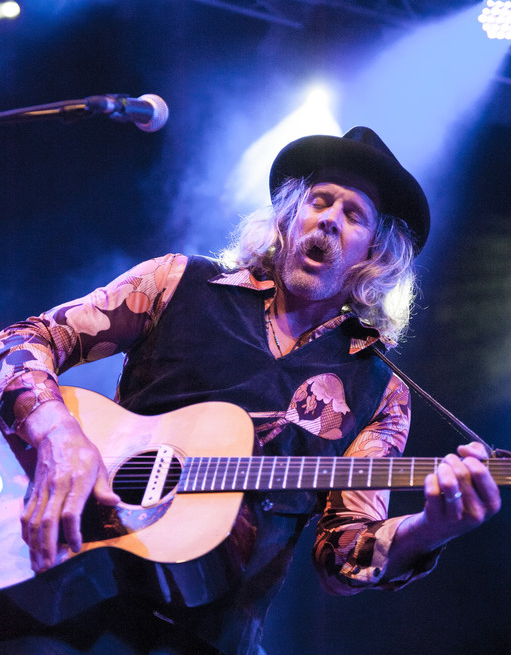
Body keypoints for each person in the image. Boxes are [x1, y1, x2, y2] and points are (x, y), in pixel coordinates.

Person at [0, 127, 501, 655]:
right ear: (289, 216)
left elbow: (343, 555)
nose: (330, 219)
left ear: (373, 254)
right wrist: (58, 436)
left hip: (208, 640)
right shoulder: (174, 283)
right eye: (319, 201)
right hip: (60, 590)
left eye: (354, 215)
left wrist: (428, 529)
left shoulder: (379, 389)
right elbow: (21, 341)